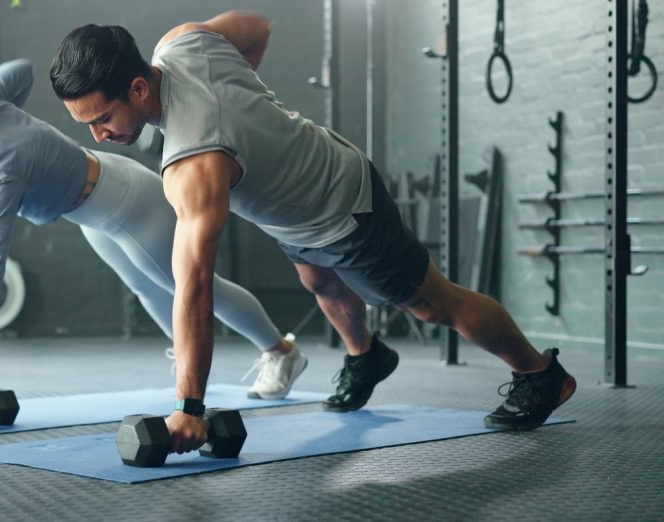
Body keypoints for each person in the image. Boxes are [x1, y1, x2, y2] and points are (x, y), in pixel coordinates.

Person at [50, 10, 576, 453]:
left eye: (102, 119)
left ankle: (540, 375)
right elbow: (257, 27)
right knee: (321, 284)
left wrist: (188, 407)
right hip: (296, 210)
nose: (99, 136)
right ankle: (367, 356)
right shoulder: (184, 42)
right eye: (86, 126)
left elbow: (193, 287)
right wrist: (247, 98)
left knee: (431, 304)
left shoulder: (194, 162)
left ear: (138, 87)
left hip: (343, 207)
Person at [0, 20, 308, 425]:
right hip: (91, 214)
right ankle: (189, 358)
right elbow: (19, 71)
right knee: (144, 287)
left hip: (126, 203)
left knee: (190, 287)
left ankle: (281, 352)